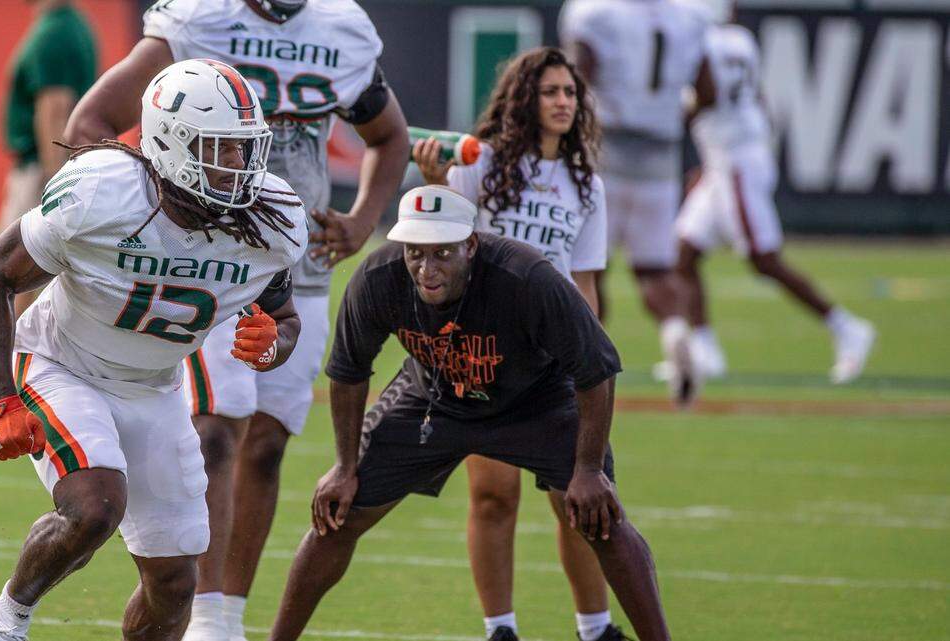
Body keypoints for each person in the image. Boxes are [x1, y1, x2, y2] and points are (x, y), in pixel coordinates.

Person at [64, 3, 409, 639]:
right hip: (208, 258)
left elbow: (390, 135)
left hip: (292, 261)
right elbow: (91, 118)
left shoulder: (336, 31)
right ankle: (203, 615)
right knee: (217, 429)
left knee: (269, 442)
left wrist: (362, 220)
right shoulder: (203, 20)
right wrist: (131, 218)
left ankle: (226, 616)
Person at [0, 59, 308, 641]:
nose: (237, 166)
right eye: (219, 148)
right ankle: (5, 620)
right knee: (97, 507)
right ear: (172, 144)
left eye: (244, 149)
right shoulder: (103, 191)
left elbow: (283, 319)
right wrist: (2, 399)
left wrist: (271, 348)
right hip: (61, 363)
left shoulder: (270, 222)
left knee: (176, 584)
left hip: (155, 388)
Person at [266, 185, 673, 641]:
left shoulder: (527, 276)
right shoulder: (378, 277)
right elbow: (347, 372)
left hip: (534, 402)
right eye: (416, 253)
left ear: (471, 245)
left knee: (603, 521)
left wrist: (588, 468)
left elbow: (597, 369)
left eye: (443, 252)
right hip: (431, 399)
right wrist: (344, 466)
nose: (427, 268)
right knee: (337, 516)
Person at [413, 48, 626, 641]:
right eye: (550, 91)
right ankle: (500, 629)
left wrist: (592, 359)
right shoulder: (483, 164)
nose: (564, 102)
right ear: (523, 99)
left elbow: (584, 280)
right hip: (487, 348)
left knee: (577, 500)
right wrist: (437, 182)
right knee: (492, 496)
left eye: (570, 93)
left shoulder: (587, 185)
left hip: (555, 355)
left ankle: (596, 627)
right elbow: (444, 245)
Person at [674, 5, 876, 383]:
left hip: (735, 162)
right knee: (684, 251)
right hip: (735, 155)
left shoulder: (697, 40)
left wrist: (664, 119)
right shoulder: (739, 39)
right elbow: (756, 100)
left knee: (763, 259)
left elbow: (709, 95)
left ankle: (847, 328)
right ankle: (705, 352)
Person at [560, 0, 715, 405]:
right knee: (655, 269)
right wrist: (667, 117)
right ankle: (676, 330)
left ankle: (587, 367)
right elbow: (708, 91)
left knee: (590, 267)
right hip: (661, 154)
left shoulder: (595, 12)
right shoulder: (690, 15)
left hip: (605, 147)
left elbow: (576, 83)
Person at [0, 0, 97, 397]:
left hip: (42, 168)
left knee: (11, 272)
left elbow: (55, 107)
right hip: (50, 166)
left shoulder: (55, 32)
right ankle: (20, 363)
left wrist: (56, 176)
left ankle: (7, 369)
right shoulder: (68, 25)